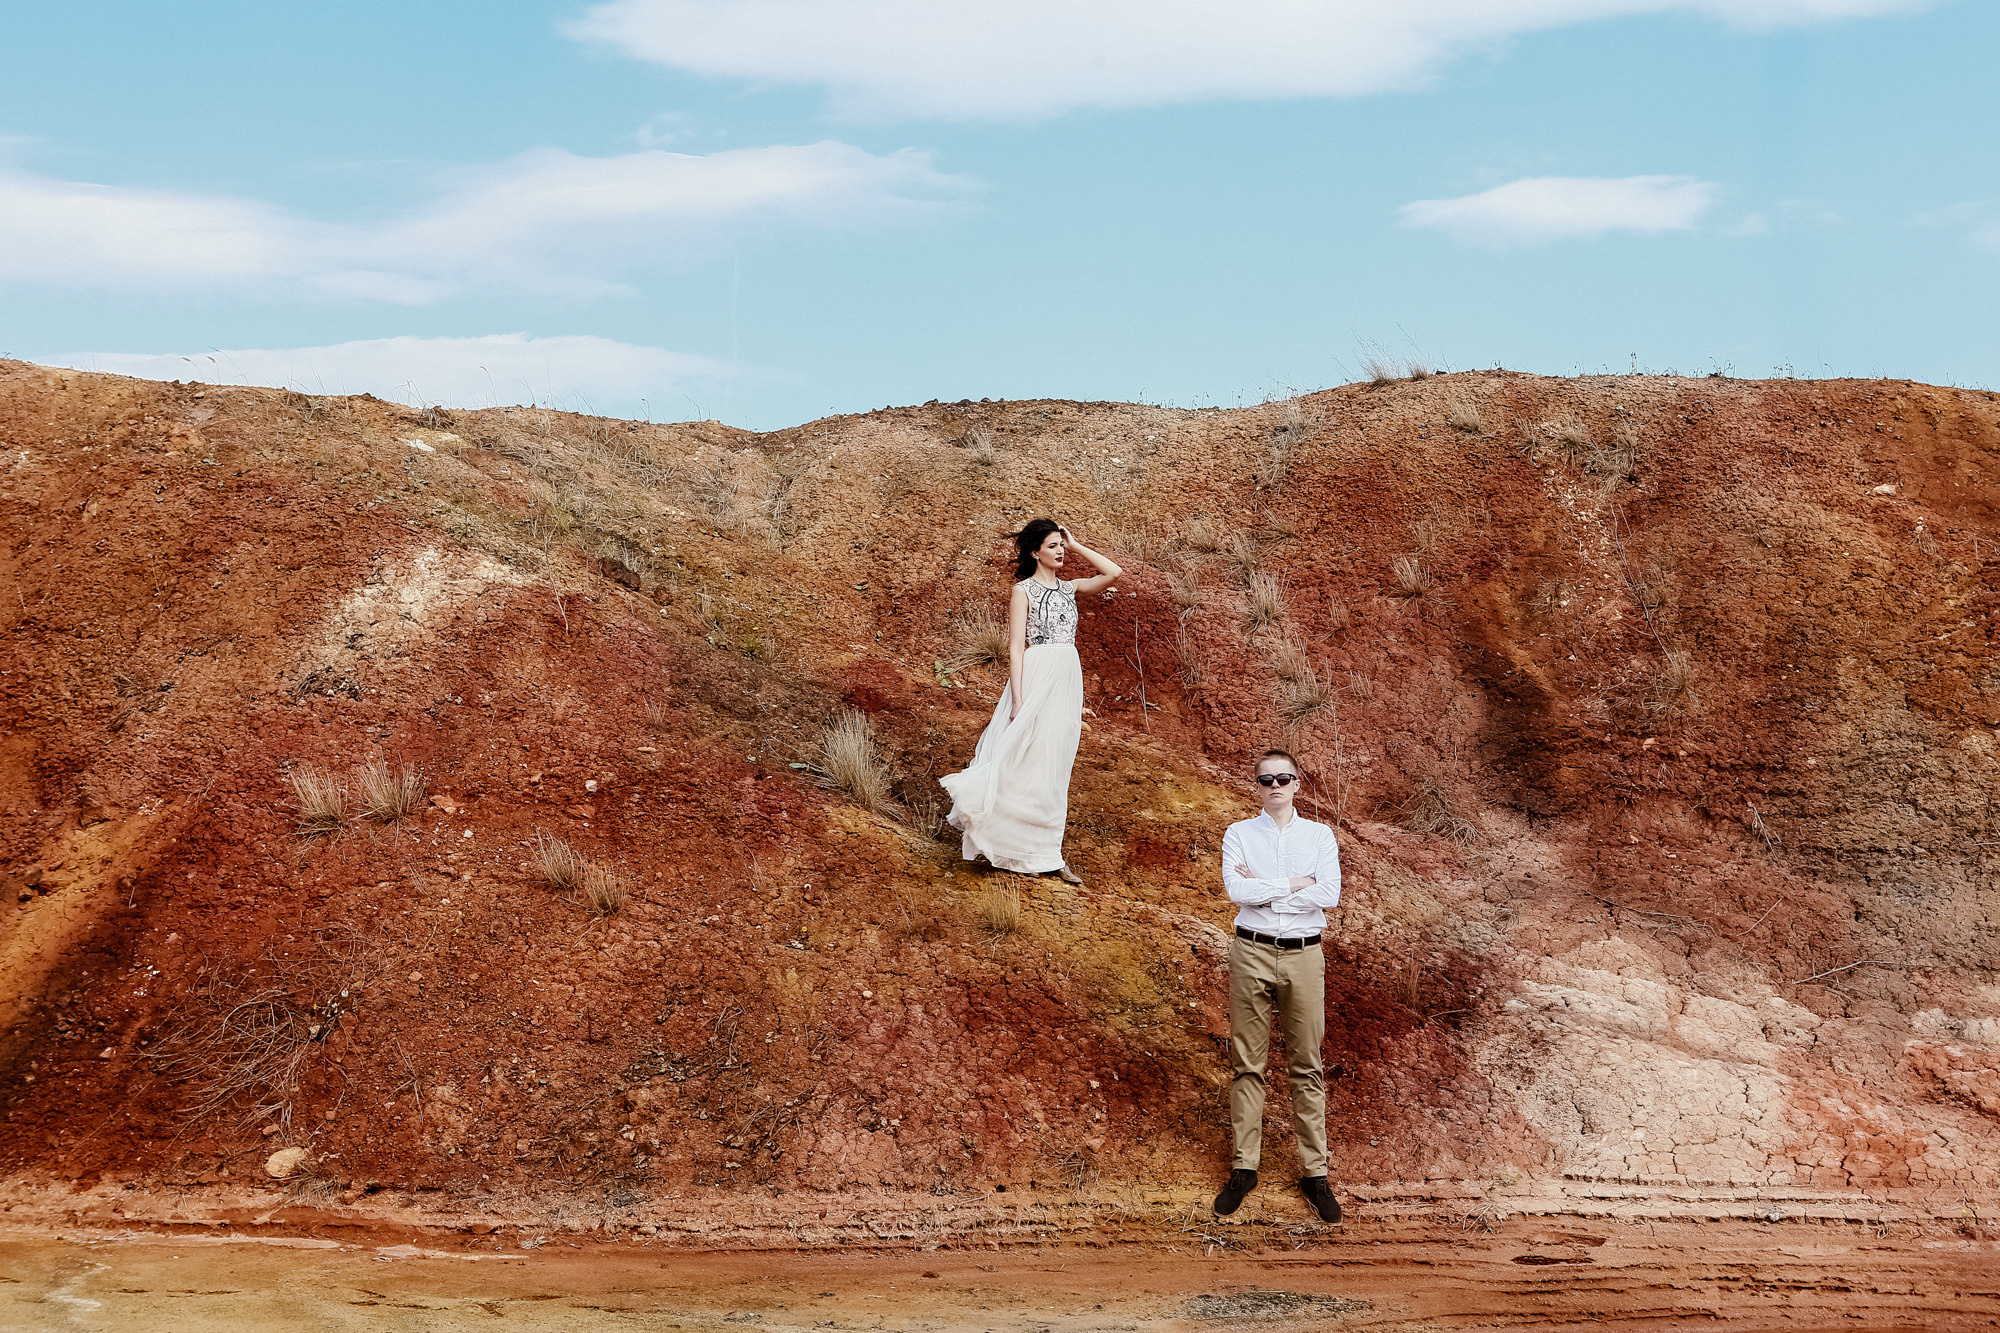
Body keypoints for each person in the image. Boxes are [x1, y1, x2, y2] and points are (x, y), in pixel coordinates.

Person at [940, 518, 1121, 885]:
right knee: (1020, 758)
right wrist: (1018, 699)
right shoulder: (1023, 591)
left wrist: (1076, 542)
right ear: (1034, 552)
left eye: (1061, 545)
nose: (1060, 551)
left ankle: (1047, 854)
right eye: (1052, 545)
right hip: (1036, 674)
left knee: (1054, 765)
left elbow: (1113, 572)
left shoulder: (1070, 589)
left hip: (1066, 677)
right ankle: (1007, 845)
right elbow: (1015, 647)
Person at [1211, 749, 1345, 1223]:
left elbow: (1329, 894)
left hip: (1305, 954)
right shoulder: (1238, 834)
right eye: (1266, 780)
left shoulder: (1319, 835)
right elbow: (1237, 892)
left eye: (1283, 778)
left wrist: (1268, 886)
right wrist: (1295, 882)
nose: (1275, 786)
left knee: (1306, 1065)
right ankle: (1244, 1167)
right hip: (1250, 950)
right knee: (1248, 1064)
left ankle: (1315, 1173)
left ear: (1297, 784)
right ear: (1257, 786)